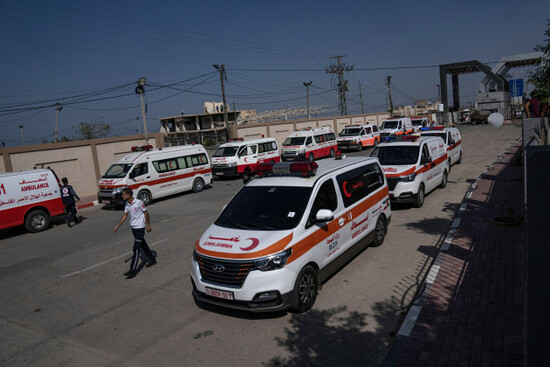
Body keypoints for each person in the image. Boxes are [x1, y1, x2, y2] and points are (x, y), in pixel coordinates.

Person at [113, 188, 156, 279]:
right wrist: (118, 226)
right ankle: (152, 259)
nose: (122, 196)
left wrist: (148, 225)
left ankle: (132, 271)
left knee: (136, 249)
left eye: (123, 194)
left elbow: (146, 213)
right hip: (133, 228)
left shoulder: (139, 202)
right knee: (143, 245)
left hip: (140, 227)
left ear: (129, 195)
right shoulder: (127, 204)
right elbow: (125, 215)